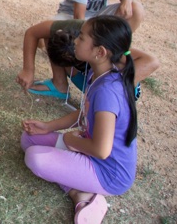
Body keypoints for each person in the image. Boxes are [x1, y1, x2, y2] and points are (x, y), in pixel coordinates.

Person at [21, 16, 139, 224]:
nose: (75, 41)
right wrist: (48, 126)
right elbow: (85, 112)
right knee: (28, 139)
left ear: (100, 52)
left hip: (107, 172)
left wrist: (70, 141)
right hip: (90, 152)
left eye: (82, 37)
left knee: (35, 158)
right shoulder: (100, 74)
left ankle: (83, 195)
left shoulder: (108, 91)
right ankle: (79, 189)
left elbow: (102, 150)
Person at [16, 18, 159, 99]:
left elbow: (151, 61)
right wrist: (28, 70)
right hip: (91, 79)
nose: (77, 41)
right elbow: (32, 32)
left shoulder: (104, 44)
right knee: (52, 37)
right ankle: (59, 85)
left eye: (80, 38)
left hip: (115, 89)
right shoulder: (75, 29)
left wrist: (112, 88)